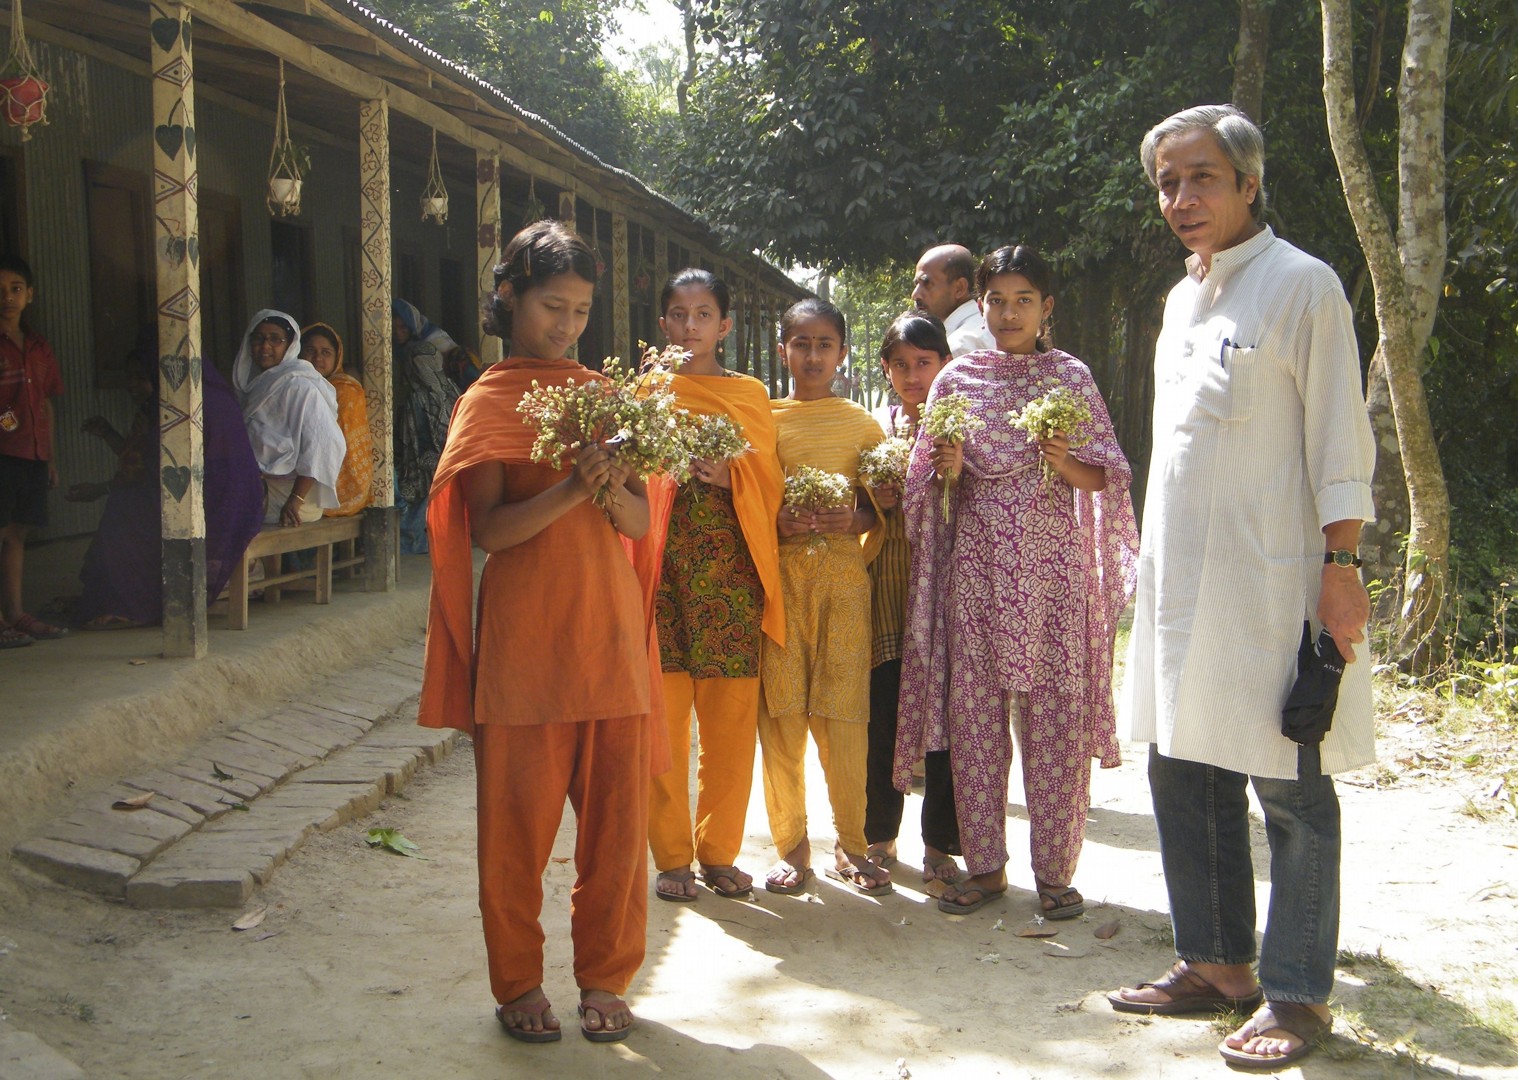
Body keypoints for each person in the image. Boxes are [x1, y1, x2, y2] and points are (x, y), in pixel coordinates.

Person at [1109, 104, 1376, 1071]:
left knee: (1290, 787)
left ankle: (1298, 994)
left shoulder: (1303, 288)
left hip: (1274, 587)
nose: (1182, 198)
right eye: (1169, 183)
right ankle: (1219, 965)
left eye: (1202, 177)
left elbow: (1341, 444)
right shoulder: (1184, 301)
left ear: (1248, 183)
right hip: (1186, 587)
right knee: (1181, 766)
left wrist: (1340, 571)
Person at [418, 219, 671, 1045]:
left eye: (581, 310)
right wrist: (570, 486)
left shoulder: (607, 398)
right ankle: (518, 982)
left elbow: (638, 518)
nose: (566, 326)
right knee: (514, 836)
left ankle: (606, 976)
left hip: (609, 642)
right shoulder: (488, 401)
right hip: (525, 649)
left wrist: (606, 487)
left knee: (614, 833)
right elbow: (488, 532)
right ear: (509, 300)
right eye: (551, 306)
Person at [895, 245, 1138, 919]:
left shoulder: (1069, 379)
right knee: (975, 726)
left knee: (1058, 725)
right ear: (981, 303)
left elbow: (1108, 476)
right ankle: (988, 868)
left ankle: (1056, 874)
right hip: (975, 575)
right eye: (996, 300)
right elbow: (928, 488)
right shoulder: (957, 379)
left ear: (1046, 307)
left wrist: (1064, 462)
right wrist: (944, 468)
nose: (1008, 314)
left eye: (1022, 300)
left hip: (1054, 578)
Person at [648, 269, 785, 903]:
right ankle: (671, 855)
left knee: (729, 725)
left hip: (729, 576)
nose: (690, 327)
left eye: (703, 315)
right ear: (663, 324)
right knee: (664, 720)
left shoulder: (750, 395)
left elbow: (773, 484)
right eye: (678, 314)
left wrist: (735, 479)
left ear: (724, 326)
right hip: (661, 576)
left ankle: (719, 851)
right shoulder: (646, 393)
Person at [758, 298, 890, 897]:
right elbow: (743, 501)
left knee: (844, 717)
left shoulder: (862, 425)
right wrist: (773, 520)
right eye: (801, 343)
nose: (813, 356)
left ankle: (853, 843)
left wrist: (854, 515)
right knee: (780, 712)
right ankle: (792, 846)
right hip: (779, 583)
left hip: (842, 583)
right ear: (783, 347)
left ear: (841, 352)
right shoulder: (762, 419)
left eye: (825, 345)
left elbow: (883, 505)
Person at [861, 311, 962, 885]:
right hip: (889, 597)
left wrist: (956, 471)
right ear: (885, 369)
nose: (912, 374)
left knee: (944, 725)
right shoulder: (878, 429)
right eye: (900, 364)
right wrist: (877, 497)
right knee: (883, 716)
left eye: (923, 362)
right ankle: (880, 836)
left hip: (947, 598)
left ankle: (940, 845)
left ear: (946, 363)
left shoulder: (962, 428)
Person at [68, 334, 263, 629]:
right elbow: (145, 463)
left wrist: (104, 489)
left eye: (140, 377)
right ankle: (115, 597)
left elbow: (157, 471)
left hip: (218, 503)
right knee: (126, 504)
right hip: (212, 496)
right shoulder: (186, 399)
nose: (132, 385)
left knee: (124, 512)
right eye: (128, 377)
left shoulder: (188, 404)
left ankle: (135, 604)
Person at [0, 254, 65, 647]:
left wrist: (51, 457)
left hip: (33, 454)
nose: (7, 297)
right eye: (0, 291)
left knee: (17, 534)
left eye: (15, 289)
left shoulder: (39, 346)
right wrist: (8, 427)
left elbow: (46, 403)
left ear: (30, 295)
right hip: (3, 453)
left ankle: (16, 613)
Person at [231, 310, 346, 526]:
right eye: (259, 339)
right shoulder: (256, 386)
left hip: (294, 499)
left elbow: (325, 443)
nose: (265, 346)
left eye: (275, 339)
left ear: (290, 345)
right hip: (263, 488)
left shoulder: (299, 385)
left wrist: (296, 499)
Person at [392, 299, 461, 554]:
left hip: (434, 460)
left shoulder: (429, 395)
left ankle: (419, 540)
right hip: (430, 459)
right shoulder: (425, 394)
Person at [300, 323, 374, 517]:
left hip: (338, 486)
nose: (317, 358)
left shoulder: (344, 391)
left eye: (326, 352)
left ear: (337, 357)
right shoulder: (292, 387)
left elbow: (332, 445)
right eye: (310, 350)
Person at [910, 244, 995, 358]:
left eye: (927, 283)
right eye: (916, 284)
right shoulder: (986, 326)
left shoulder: (960, 347)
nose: (915, 295)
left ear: (959, 288)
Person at [393, 298, 480, 392]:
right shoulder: (400, 347)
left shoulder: (426, 344)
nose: (398, 333)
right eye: (393, 328)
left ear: (412, 325)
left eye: (403, 327)